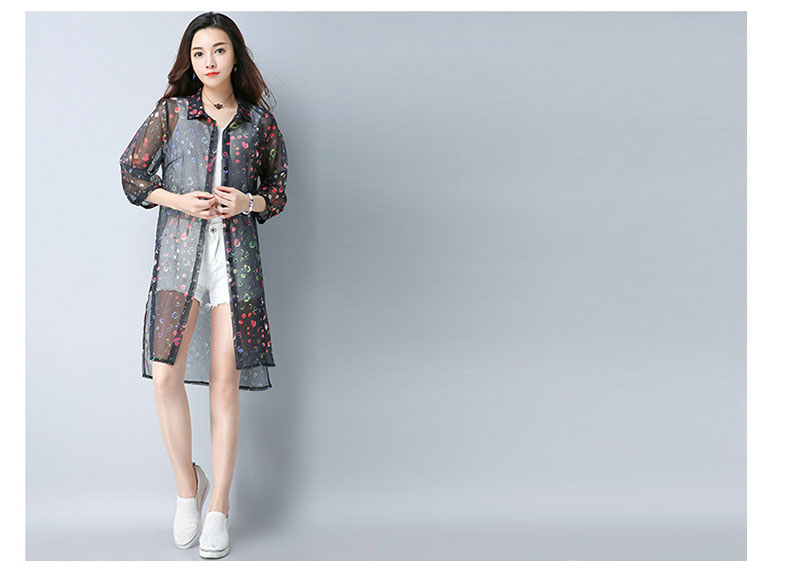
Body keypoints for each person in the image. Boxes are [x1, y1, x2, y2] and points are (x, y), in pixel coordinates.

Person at [118, 12, 289, 559]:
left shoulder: (258, 123)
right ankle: (188, 487)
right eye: (198, 53)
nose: (208, 61)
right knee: (165, 375)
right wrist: (177, 200)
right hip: (180, 257)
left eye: (218, 50)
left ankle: (220, 507)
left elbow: (278, 190)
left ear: (235, 55)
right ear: (189, 62)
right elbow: (132, 173)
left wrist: (248, 201)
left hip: (235, 263)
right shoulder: (173, 114)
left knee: (224, 383)